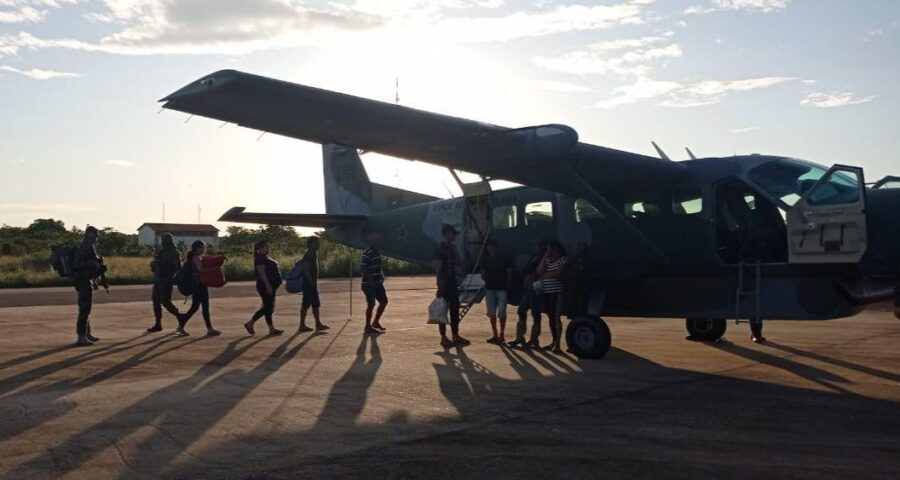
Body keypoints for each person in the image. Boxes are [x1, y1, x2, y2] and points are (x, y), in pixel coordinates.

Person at [174, 241, 222, 337]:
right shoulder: (196, 257)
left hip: (198, 285)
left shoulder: (192, 257)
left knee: (196, 308)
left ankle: (181, 327)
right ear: (198, 248)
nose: (205, 249)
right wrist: (215, 269)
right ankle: (208, 329)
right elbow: (200, 270)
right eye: (203, 247)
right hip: (199, 285)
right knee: (202, 307)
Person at [434, 224, 469, 348]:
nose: (454, 236)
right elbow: (438, 267)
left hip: (453, 282)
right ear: (447, 234)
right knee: (442, 311)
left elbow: (459, 264)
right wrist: (439, 286)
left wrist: (454, 250)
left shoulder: (452, 247)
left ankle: (455, 335)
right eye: (453, 233)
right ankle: (443, 337)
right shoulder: (440, 248)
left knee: (455, 309)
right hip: (444, 283)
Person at [71, 226, 106, 346]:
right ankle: (81, 336)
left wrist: (94, 279)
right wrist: (95, 264)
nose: (96, 239)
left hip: (87, 280)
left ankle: (87, 334)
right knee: (84, 309)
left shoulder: (90, 247)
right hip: (82, 281)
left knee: (87, 309)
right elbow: (78, 264)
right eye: (94, 236)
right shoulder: (84, 247)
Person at [508, 240, 546, 349]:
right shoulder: (532, 257)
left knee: (535, 313)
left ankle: (534, 339)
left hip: (535, 288)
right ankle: (520, 337)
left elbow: (539, 272)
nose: (536, 248)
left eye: (539, 245)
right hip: (527, 288)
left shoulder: (542, 259)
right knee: (521, 311)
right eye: (535, 245)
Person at [244, 240, 284, 336]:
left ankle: (271, 329)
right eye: (266, 247)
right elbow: (262, 273)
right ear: (259, 249)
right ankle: (250, 323)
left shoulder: (264, 257)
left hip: (270, 286)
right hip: (265, 286)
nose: (268, 248)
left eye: (268, 247)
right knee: (267, 308)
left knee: (268, 308)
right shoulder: (260, 258)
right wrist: (268, 285)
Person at [147, 233, 182, 333]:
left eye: (164, 241)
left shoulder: (174, 252)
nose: (162, 243)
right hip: (158, 279)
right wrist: (154, 265)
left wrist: (172, 277)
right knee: (156, 301)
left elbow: (178, 268)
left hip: (166, 280)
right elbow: (156, 266)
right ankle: (158, 324)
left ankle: (180, 317)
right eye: (162, 241)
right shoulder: (162, 252)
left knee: (165, 301)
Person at [537, 240, 567, 354]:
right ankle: (554, 340)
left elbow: (559, 273)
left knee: (556, 317)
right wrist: (545, 256)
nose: (550, 252)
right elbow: (539, 271)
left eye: (551, 249)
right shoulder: (548, 261)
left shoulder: (563, 259)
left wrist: (545, 275)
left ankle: (558, 344)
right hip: (547, 292)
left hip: (557, 292)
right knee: (550, 317)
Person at [479, 239, 511, 344]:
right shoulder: (485, 259)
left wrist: (508, 284)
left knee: (502, 313)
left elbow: (509, 272)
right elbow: (482, 273)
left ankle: (501, 334)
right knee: (492, 313)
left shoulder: (503, 258)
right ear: (488, 249)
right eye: (490, 247)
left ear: (497, 248)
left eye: (494, 247)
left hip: (502, 288)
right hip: (490, 289)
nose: (492, 249)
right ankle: (495, 334)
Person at [299, 236, 329, 332]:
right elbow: (305, 268)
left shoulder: (311, 253)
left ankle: (302, 325)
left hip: (307, 283)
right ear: (311, 244)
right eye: (316, 243)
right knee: (315, 303)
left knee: (305, 304)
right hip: (309, 284)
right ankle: (318, 324)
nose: (318, 244)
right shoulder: (310, 253)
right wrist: (311, 281)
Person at [360, 231, 388, 334]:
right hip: (368, 284)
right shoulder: (367, 252)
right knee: (371, 304)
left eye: (377, 239)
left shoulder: (377, 252)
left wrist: (381, 276)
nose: (377, 241)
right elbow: (363, 268)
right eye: (375, 240)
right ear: (370, 241)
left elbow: (378, 267)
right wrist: (370, 280)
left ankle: (375, 322)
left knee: (384, 302)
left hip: (378, 283)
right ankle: (367, 327)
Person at [563, 241, 590, 319]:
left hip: (581, 288)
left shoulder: (586, 260)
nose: (576, 249)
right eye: (576, 247)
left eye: (579, 246)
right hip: (573, 288)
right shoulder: (571, 260)